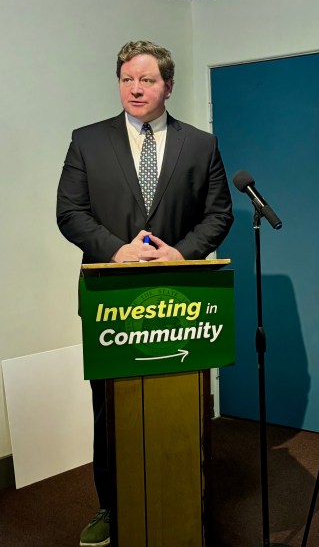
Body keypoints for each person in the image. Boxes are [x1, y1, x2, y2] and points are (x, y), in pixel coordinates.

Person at [56, 40, 234, 546]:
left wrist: (183, 252)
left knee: (181, 403)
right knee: (110, 410)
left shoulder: (200, 144)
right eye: (127, 79)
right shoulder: (87, 141)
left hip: (181, 299)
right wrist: (116, 251)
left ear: (168, 86)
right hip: (111, 300)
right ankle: (111, 504)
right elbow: (70, 212)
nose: (136, 88)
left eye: (147, 80)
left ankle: (188, 495)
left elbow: (218, 214)